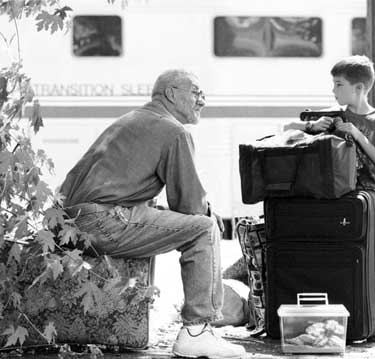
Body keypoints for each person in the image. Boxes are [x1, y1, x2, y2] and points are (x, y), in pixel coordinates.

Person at [59, 69, 247, 359]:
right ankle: (197, 332)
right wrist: (209, 214)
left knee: (185, 220)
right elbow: (189, 205)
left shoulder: (132, 120)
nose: (203, 101)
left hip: (69, 225)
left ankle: (197, 330)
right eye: (197, 93)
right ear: (171, 93)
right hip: (103, 222)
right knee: (204, 229)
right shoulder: (174, 131)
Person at [284, 55, 375, 342]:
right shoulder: (334, 116)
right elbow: (286, 130)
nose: (334, 90)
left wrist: (358, 134)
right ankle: (355, 317)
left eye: (339, 84)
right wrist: (312, 127)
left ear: (359, 88)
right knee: (349, 261)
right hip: (345, 204)